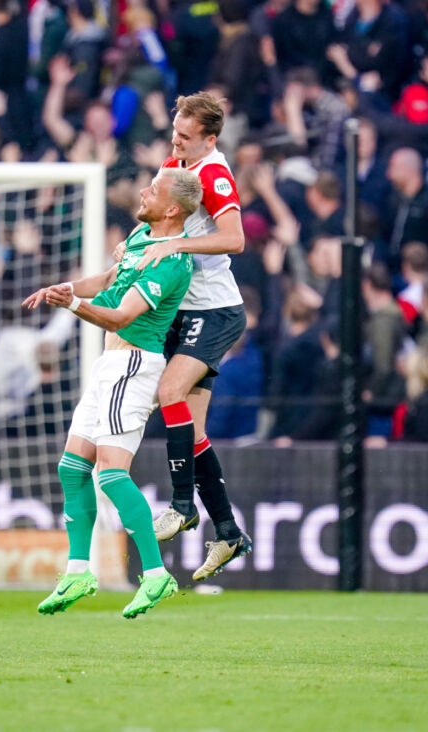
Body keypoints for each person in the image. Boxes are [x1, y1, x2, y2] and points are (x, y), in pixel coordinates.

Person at [21, 167, 200, 619]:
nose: (143, 191)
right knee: (71, 467)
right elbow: (107, 280)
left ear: (173, 208)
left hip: (134, 364)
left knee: (111, 474)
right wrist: (67, 289)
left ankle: (156, 574)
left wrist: (76, 306)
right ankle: (79, 570)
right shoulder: (142, 236)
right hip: (109, 366)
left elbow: (120, 315)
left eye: (154, 190)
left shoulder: (173, 261)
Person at [132, 92, 251, 582]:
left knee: (169, 392)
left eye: (185, 137)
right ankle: (227, 533)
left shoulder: (214, 174)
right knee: (191, 429)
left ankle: (181, 506)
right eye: (174, 133)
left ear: (210, 139)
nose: (176, 143)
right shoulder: (177, 164)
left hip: (215, 308)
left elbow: (235, 239)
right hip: (188, 310)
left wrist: (176, 244)